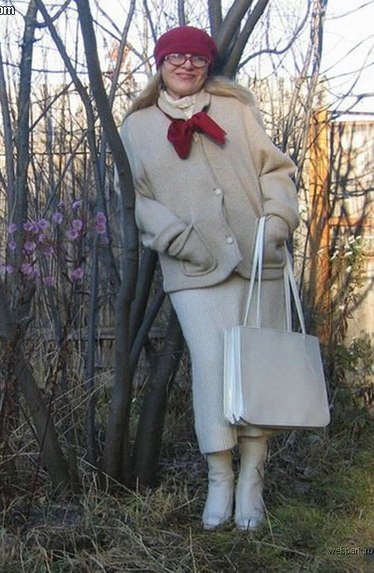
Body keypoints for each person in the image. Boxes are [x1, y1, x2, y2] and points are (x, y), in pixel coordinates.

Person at [119, 26, 299, 530]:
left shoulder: (237, 110)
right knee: (213, 367)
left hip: (258, 259)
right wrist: (179, 239)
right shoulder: (137, 127)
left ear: (208, 64)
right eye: (176, 56)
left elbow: (276, 171)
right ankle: (220, 477)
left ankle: (252, 479)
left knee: (257, 368)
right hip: (194, 269)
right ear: (160, 64)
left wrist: (276, 223)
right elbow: (140, 200)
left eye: (197, 58)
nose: (186, 64)